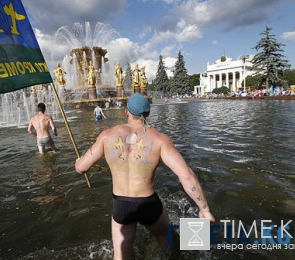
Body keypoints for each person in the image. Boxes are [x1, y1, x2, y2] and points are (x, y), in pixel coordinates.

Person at [75, 93, 215, 259]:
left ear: (126, 112)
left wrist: (78, 161)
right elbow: (187, 176)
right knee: (163, 235)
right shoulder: (159, 139)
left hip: (121, 205)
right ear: (148, 114)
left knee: (120, 255)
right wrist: (205, 210)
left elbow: (82, 168)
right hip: (148, 203)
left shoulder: (107, 135)